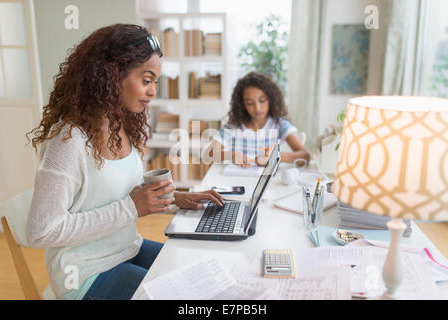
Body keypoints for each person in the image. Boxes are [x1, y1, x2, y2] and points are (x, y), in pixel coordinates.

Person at [26, 24, 224, 300]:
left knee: (198, 271)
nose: (153, 91)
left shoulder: (122, 127)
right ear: (112, 75)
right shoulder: (68, 141)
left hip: (127, 249)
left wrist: (176, 197)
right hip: (85, 273)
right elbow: (40, 232)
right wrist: (131, 208)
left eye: (156, 81)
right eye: (146, 79)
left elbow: (119, 193)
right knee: (182, 295)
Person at [211, 71, 310, 167]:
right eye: (250, 103)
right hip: (238, 180)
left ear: (271, 99)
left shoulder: (279, 124)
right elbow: (211, 153)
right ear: (242, 104)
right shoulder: (233, 126)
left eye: (262, 101)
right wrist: (231, 155)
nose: (257, 108)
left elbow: (305, 156)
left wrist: (275, 156)